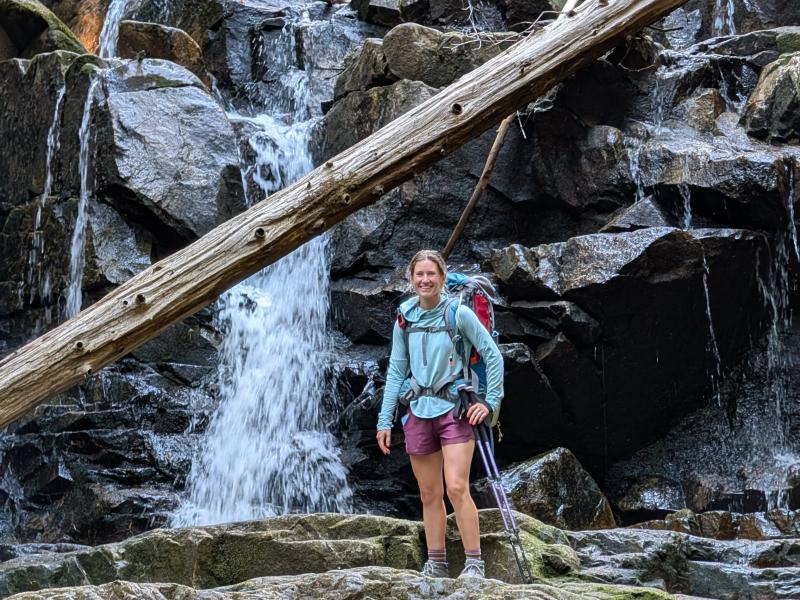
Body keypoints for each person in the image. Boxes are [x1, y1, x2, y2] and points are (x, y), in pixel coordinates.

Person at [376, 249, 504, 579]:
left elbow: (493, 355)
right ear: (411, 279)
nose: (425, 280)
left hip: (454, 410)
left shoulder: (457, 314)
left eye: (431, 274)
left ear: (442, 278)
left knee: (457, 488)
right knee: (429, 494)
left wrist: (489, 403)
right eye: (419, 275)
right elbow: (396, 370)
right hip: (418, 410)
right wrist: (384, 420)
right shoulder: (404, 317)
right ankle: (437, 564)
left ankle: (474, 563)